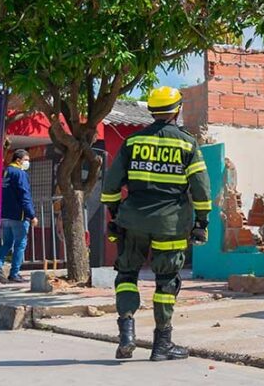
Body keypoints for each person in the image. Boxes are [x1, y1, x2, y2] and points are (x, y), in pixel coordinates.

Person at [100, 86, 212, 361]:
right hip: (170, 224)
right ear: (177, 110)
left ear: (151, 110)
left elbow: (110, 185)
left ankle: (126, 335)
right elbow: (201, 188)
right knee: (166, 281)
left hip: (132, 221)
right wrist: (201, 222)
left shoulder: (133, 142)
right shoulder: (187, 143)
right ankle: (162, 345)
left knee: (127, 276)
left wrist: (115, 215)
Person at [0, 150, 37, 282]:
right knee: (20, 244)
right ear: (18, 160)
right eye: (26, 160)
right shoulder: (20, 173)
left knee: (7, 243)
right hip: (18, 216)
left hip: (4, 215)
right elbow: (25, 195)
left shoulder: (4, 172)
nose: (28, 163)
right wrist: (32, 215)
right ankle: (14, 273)